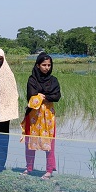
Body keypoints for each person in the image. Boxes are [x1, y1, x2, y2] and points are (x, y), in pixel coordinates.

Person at [20, 52, 61, 180]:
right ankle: (29, 168)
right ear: (38, 65)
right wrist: (43, 96)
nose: (47, 67)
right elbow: (31, 96)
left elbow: (57, 96)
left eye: (49, 65)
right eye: (44, 65)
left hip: (48, 116)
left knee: (49, 143)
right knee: (30, 142)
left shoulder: (53, 80)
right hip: (33, 115)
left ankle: (49, 170)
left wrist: (42, 96)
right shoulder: (32, 80)